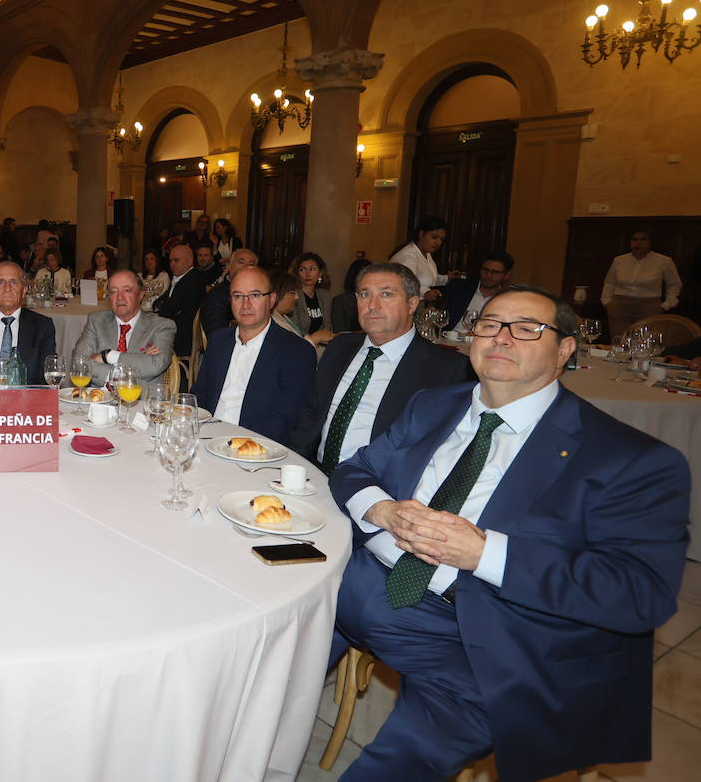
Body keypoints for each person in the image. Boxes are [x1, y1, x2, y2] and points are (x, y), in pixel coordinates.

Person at [329, 285, 689, 781]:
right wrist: (385, 510)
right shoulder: (432, 406)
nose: (502, 337)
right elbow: (355, 469)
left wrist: (483, 553)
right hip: (354, 584)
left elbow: (637, 593)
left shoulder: (631, 460)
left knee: (398, 762)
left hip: (475, 635)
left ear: (564, 350)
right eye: (490, 323)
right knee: (248, 659)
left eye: (527, 328)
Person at [290, 262, 473, 471]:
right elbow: (312, 414)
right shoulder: (339, 347)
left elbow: (440, 451)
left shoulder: (446, 369)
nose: (372, 306)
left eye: (386, 295)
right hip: (313, 475)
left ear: (412, 304)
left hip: (379, 486)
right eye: (365, 294)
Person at [192, 267, 316, 441]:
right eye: (238, 296)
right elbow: (200, 395)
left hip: (256, 448)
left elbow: (288, 418)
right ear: (230, 301)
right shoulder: (219, 341)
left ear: (272, 299)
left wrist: (238, 445)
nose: (246, 304)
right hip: (205, 439)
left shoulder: (296, 351)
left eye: (255, 295)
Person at [70, 270, 175, 385]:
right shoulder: (96, 321)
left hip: (142, 400)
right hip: (99, 400)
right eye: (113, 292)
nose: (120, 297)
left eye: (127, 290)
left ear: (141, 295)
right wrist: (138, 363)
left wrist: (108, 356)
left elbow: (156, 365)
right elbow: (79, 363)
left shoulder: (161, 326)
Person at [601, 228, 682, 339]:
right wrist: (607, 302)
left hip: (649, 305)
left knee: (645, 340)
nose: (638, 243)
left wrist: (666, 305)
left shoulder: (664, 261)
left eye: (643, 239)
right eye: (634, 239)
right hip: (619, 304)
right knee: (619, 339)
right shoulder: (619, 260)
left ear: (651, 242)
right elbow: (609, 282)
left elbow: (674, 284)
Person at [155, 243, 208, 358]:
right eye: (170, 261)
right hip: (176, 329)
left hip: (182, 338)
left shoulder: (192, 280)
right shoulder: (181, 278)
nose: (172, 264)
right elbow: (159, 302)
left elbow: (168, 309)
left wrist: (162, 306)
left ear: (190, 261)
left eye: (176, 260)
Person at [390, 215, 458, 301]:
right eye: (434, 237)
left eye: (441, 239)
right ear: (421, 234)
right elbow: (407, 283)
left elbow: (429, 278)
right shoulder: (408, 256)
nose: (438, 242)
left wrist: (447, 278)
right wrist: (426, 292)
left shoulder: (426, 254)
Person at [443, 250, 514, 327]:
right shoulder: (459, 288)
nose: (488, 275)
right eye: (485, 270)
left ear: (506, 275)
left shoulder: (507, 300)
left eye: (495, 272)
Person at [329, 258, 373, 334]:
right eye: (362, 276)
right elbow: (339, 332)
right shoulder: (341, 301)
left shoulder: (376, 299)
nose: (366, 281)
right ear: (353, 277)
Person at [291, 252, 330, 335]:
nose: (307, 274)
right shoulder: (292, 295)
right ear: (297, 273)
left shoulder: (325, 295)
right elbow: (293, 328)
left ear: (320, 273)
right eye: (302, 269)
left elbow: (328, 326)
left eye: (312, 269)